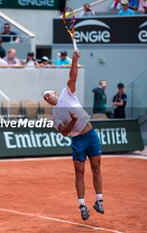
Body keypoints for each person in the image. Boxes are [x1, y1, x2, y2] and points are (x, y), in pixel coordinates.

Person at [43, 49, 103, 221]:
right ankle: (82, 205)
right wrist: (72, 122)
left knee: (97, 168)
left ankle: (99, 200)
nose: (48, 98)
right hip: (78, 140)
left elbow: (73, 75)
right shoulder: (55, 116)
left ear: (55, 94)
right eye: (46, 98)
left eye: (49, 95)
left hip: (90, 134)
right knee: (80, 172)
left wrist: (75, 60)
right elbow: (64, 132)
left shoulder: (66, 92)